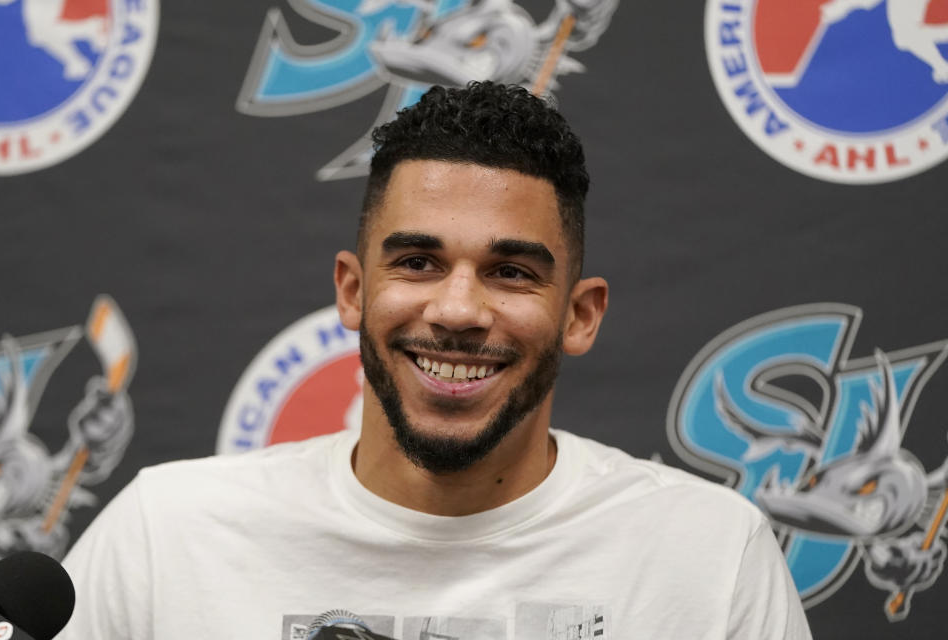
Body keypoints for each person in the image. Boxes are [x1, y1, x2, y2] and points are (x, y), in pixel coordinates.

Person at [58, 82, 812, 640]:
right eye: (418, 261)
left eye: (511, 271)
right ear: (353, 292)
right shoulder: (168, 534)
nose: (456, 310)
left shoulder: (710, 558)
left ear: (579, 315)